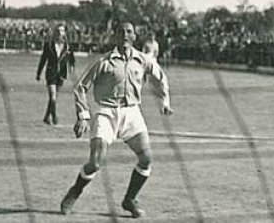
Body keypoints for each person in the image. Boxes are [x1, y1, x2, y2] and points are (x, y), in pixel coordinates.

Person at [59, 21, 173, 218]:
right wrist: (83, 116)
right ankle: (75, 192)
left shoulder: (142, 60)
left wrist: (165, 101)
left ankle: (130, 199)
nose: (125, 35)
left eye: (129, 32)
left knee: (146, 158)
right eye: (121, 32)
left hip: (132, 113)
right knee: (96, 162)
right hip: (106, 113)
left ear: (134, 36)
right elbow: (80, 87)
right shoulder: (103, 62)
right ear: (115, 36)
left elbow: (160, 77)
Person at [36, 24, 76, 125]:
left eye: (62, 31)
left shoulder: (68, 46)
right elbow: (43, 59)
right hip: (51, 72)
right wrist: (39, 73)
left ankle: (46, 117)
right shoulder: (49, 45)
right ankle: (54, 116)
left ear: (64, 33)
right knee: (53, 95)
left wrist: (72, 67)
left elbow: (72, 59)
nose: (59, 33)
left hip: (61, 74)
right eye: (58, 30)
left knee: (54, 97)